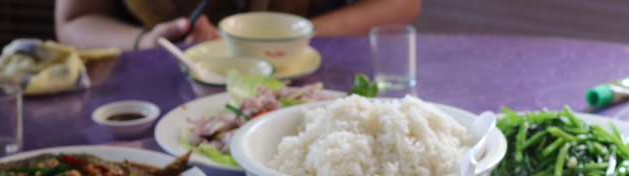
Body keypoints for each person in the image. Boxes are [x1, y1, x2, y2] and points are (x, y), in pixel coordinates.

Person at [54, 0, 421, 50]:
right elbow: (74, 19)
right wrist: (149, 41)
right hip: (157, 90)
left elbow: (401, 4)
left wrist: (288, 37)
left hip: (318, 74)